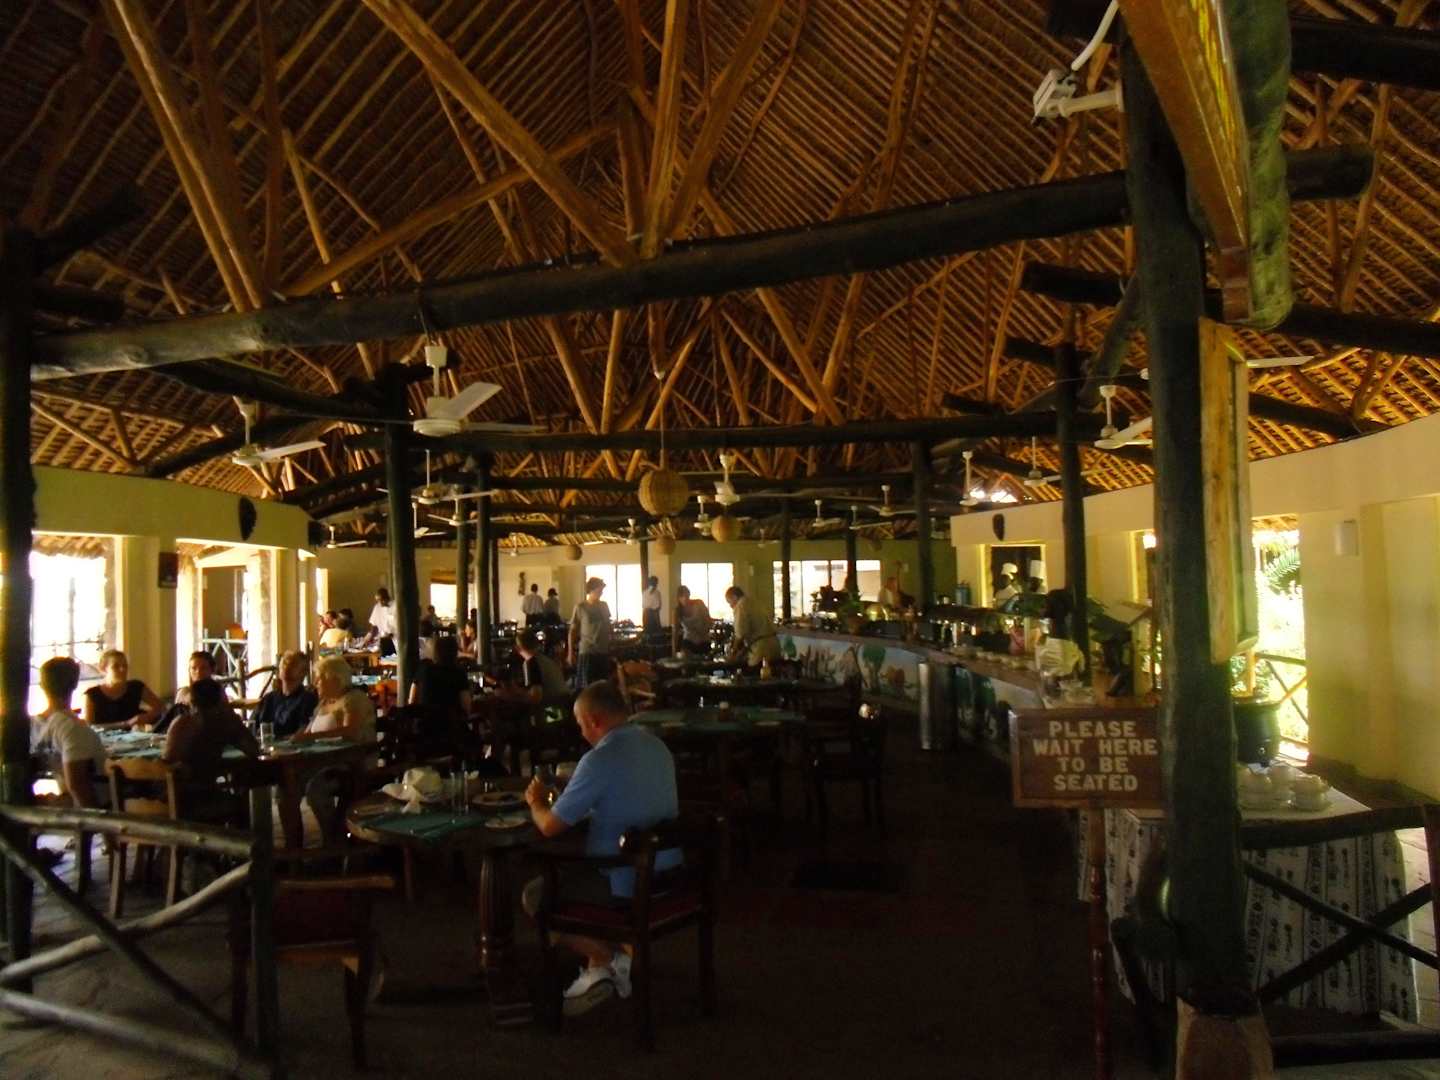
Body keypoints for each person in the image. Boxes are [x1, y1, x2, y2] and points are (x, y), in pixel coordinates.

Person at [521, 682, 680, 1016]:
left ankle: (606, 958)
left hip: (627, 882)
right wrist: (575, 788)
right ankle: (606, 963)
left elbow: (549, 826)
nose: (581, 733)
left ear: (594, 720)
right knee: (577, 873)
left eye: (581, 724)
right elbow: (629, 795)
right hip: (670, 875)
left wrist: (535, 803)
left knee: (535, 894)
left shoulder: (599, 759)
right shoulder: (657, 746)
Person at [295, 657, 378, 844]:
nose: (316, 682)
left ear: (334, 678)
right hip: (321, 762)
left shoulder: (353, 698)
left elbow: (350, 731)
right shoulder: (323, 703)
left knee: (315, 790)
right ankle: (294, 843)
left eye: (320, 678)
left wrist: (312, 737)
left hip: (351, 765)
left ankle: (333, 838)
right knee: (287, 786)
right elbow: (308, 732)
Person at [164, 678, 260, 821]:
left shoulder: (179, 722)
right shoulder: (222, 721)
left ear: (192, 701)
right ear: (220, 701)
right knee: (240, 802)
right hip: (197, 800)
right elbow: (253, 750)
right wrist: (232, 716)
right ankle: (239, 836)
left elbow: (168, 760)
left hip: (166, 796)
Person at [32, 657, 106, 809]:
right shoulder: (73, 728)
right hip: (93, 807)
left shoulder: (30, 726)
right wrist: (97, 820)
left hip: (60, 804)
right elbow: (77, 785)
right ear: (75, 684)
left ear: (42, 685)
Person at [82, 649, 161, 729]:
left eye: (125, 666)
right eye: (116, 666)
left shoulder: (136, 687)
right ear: (103, 669)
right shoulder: (92, 694)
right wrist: (126, 723)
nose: (122, 669)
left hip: (133, 735)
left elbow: (161, 708)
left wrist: (147, 716)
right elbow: (88, 727)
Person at [249, 651, 318, 738]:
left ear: (303, 672)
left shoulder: (308, 699)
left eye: (293, 664)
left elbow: (303, 733)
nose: (287, 667)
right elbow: (251, 726)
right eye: (284, 663)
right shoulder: (268, 698)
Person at [409, 634, 473, 715]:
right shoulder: (458, 673)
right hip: (451, 722)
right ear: (455, 653)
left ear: (435, 651)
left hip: (425, 721)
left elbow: (412, 700)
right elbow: (466, 707)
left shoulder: (424, 669)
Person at [569, 577, 613, 689]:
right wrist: (570, 653)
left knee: (602, 686)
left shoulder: (604, 605)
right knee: (586, 687)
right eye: (599, 590)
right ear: (591, 590)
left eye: (602, 591)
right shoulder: (581, 607)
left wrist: (611, 641)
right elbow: (572, 631)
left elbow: (608, 625)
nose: (601, 593)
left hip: (603, 650)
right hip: (588, 651)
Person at [725, 586, 781, 668]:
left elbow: (740, 634)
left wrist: (733, 653)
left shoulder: (741, 605)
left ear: (734, 597)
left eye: (729, 602)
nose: (730, 606)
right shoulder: (755, 602)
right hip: (774, 645)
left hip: (761, 649)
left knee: (757, 673)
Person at [508, 629, 569, 703]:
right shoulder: (546, 659)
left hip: (552, 705)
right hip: (564, 702)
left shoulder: (532, 663)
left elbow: (536, 697)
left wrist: (512, 694)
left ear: (517, 648)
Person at [674, 585, 713, 655]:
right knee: (686, 659)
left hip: (704, 639)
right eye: (682, 596)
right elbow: (675, 631)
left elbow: (709, 621)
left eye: (686, 595)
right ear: (678, 598)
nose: (685, 598)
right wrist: (674, 650)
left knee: (704, 660)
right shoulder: (677, 611)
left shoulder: (699, 603)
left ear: (689, 595)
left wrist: (704, 630)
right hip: (688, 640)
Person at [368, 588, 397, 657]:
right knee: (386, 660)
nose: (380, 603)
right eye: (378, 600)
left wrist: (392, 634)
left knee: (396, 660)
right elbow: (374, 624)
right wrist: (370, 636)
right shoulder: (377, 607)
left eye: (382, 600)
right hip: (384, 640)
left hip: (396, 639)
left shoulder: (396, 606)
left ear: (387, 597)